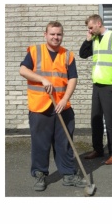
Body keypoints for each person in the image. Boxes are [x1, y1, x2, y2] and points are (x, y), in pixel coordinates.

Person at [19, 21, 86, 191]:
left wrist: (65, 99)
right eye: (52, 34)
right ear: (45, 34)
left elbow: (73, 78)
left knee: (64, 142)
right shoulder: (35, 51)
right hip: (40, 106)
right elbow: (23, 70)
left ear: (62, 35)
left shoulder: (67, 55)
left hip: (62, 106)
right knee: (40, 143)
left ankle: (68, 174)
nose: (56, 37)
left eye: (59, 34)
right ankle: (40, 175)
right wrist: (41, 78)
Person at [79, 14, 112, 165]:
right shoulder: (94, 39)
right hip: (97, 85)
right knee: (96, 119)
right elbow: (83, 54)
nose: (90, 30)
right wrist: (87, 39)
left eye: (91, 27)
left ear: (99, 23)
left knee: (110, 120)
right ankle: (98, 150)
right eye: (89, 29)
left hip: (109, 85)